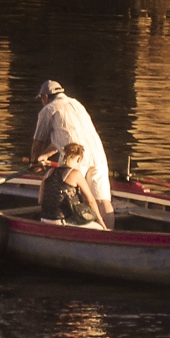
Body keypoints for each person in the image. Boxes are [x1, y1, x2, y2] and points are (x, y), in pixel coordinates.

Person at [30, 80, 114, 228]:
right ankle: (110, 235)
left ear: (45, 97)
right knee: (102, 200)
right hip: (98, 155)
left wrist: (34, 162)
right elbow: (65, 136)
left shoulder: (48, 109)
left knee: (72, 197)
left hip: (75, 158)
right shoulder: (77, 104)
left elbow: (38, 142)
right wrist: (44, 156)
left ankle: (73, 231)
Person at [39, 142, 109, 230]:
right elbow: (90, 201)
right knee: (98, 228)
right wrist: (102, 223)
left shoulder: (48, 173)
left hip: (44, 220)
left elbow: (40, 200)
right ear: (79, 159)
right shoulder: (76, 174)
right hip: (62, 222)